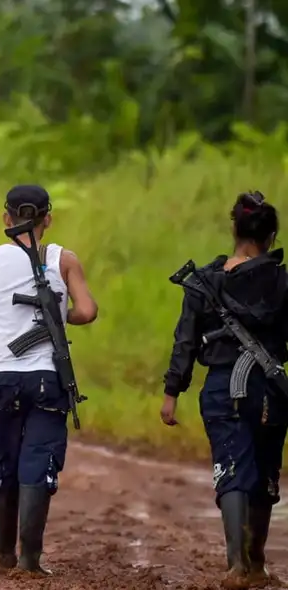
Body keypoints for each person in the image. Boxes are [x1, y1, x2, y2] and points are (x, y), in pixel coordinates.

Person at [0, 185, 98, 576]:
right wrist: (59, 314)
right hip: (46, 378)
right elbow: (87, 311)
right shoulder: (63, 260)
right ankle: (30, 560)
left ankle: (4, 551)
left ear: (7, 219)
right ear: (47, 219)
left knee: (2, 461)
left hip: (1, 377)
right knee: (39, 463)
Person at [160, 191, 287, 589]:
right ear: (271, 235)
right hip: (269, 387)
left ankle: (237, 566)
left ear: (234, 228)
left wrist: (171, 392)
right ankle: (257, 563)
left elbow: (185, 341)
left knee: (232, 468)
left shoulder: (204, 282)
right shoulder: (281, 280)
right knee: (266, 471)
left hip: (221, 388)